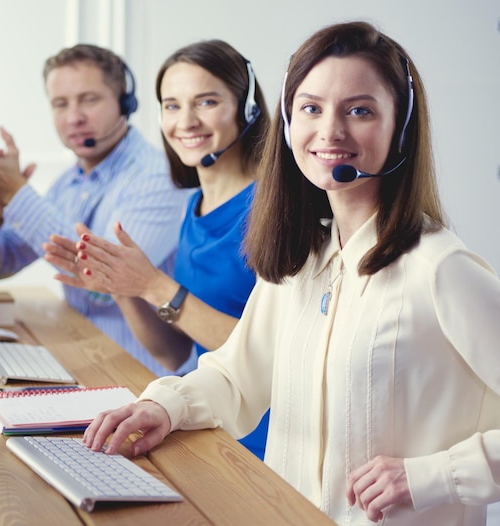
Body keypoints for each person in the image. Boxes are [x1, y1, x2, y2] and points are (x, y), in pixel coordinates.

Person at [81, 21, 500, 525]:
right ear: (286, 122)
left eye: (360, 110)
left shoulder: (440, 269)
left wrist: (432, 476)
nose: (330, 132)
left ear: (401, 126)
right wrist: (165, 407)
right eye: (311, 108)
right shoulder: (302, 261)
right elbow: (237, 373)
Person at [43, 40, 271, 459]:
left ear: (247, 107)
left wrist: (153, 285)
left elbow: (268, 354)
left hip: (260, 441)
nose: (185, 121)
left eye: (205, 102)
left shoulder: (272, 211)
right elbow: (175, 351)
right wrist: (122, 287)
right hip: (203, 422)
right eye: (171, 105)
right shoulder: (193, 206)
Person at [0, 44, 192, 377]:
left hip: (145, 379)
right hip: (87, 360)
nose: (73, 117)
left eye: (89, 99)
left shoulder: (159, 176)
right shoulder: (68, 183)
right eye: (60, 104)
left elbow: (107, 286)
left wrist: (14, 192)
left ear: (125, 102)